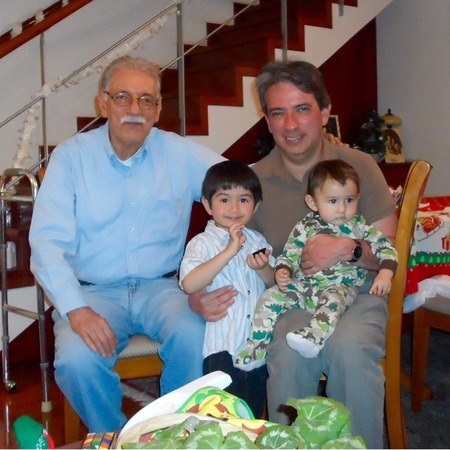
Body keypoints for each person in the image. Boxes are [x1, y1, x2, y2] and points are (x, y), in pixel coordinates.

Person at [189, 60, 398, 449]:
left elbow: (390, 247)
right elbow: (221, 246)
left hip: (359, 295)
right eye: (278, 113)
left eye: (302, 109)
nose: (290, 124)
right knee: (285, 351)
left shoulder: (359, 167)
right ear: (267, 121)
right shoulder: (253, 182)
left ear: (325, 112)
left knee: (350, 350)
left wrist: (349, 248)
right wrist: (196, 295)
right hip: (296, 297)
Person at [29, 56, 225, 432]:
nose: (135, 109)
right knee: (76, 361)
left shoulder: (179, 153)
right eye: (122, 97)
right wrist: (76, 310)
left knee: (198, 335)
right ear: (103, 103)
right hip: (93, 293)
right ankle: (120, 437)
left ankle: (174, 434)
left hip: (163, 289)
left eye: (146, 99)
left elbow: (240, 185)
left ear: (158, 108)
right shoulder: (71, 157)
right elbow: (47, 242)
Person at [235, 159, 397, 368]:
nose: (342, 209)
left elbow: (386, 247)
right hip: (304, 287)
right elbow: (291, 252)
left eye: (349, 200)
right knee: (270, 297)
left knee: (332, 301)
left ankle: (313, 338)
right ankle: (256, 349)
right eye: (332, 201)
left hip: (340, 287)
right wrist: (283, 270)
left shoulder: (360, 226)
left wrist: (385, 273)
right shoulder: (305, 226)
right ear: (313, 203)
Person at [179, 160, 275, 417]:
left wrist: (263, 267)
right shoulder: (202, 243)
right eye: (224, 200)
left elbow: (274, 283)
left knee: (252, 415)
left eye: (243, 200)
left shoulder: (257, 240)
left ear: (256, 205)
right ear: (207, 205)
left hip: (257, 346)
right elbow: (189, 284)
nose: (234, 208)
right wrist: (229, 251)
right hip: (223, 347)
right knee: (221, 416)